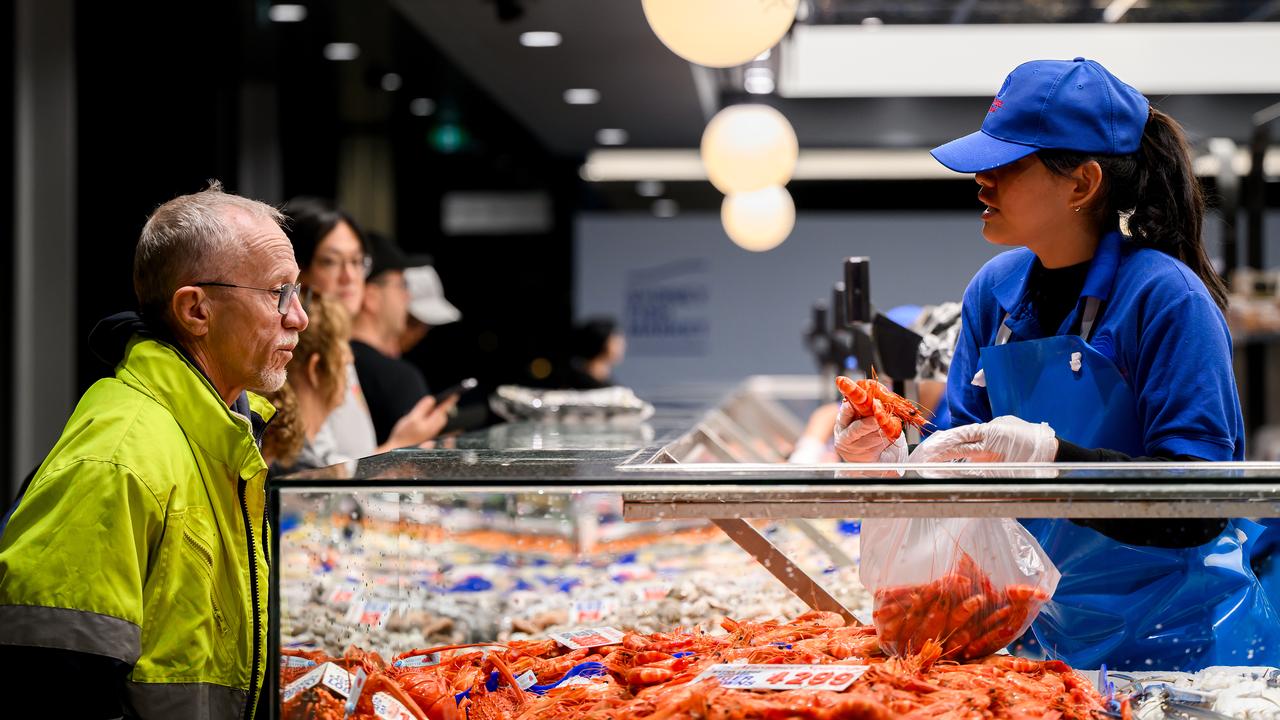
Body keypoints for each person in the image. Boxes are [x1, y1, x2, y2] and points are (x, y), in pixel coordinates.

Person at [836, 57, 1277, 670]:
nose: (981, 183)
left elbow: (1196, 505)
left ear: (1082, 184)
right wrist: (891, 452)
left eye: (1006, 165)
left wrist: (1053, 462)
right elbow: (960, 458)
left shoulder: (1166, 297)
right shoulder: (995, 291)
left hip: (1181, 646)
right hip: (1043, 642)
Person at [0, 183, 307, 717]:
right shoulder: (117, 456)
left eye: (297, 292)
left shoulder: (219, 434)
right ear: (195, 310)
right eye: (278, 293)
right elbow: (51, 687)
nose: (298, 317)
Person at [283, 198, 449, 459]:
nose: (350, 277)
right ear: (296, 270)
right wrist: (401, 444)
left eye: (358, 261)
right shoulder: (295, 351)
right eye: (330, 261)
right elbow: (310, 472)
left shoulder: (337, 344)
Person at [351, 233, 457, 444]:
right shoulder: (398, 378)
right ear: (371, 296)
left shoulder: (331, 361)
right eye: (402, 285)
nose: (408, 297)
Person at [261, 295, 353, 473]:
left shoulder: (275, 446)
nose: (348, 376)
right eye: (345, 364)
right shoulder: (297, 467)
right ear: (315, 370)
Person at [562, 317, 626, 390]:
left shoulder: (609, 384)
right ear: (602, 344)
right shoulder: (577, 383)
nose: (622, 347)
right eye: (616, 343)